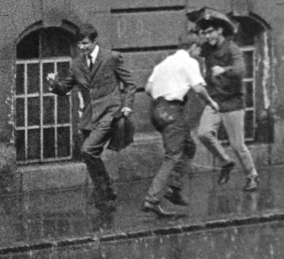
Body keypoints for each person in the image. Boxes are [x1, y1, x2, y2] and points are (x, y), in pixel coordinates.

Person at [47, 24, 136, 207]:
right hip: (89, 117)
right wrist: (54, 84)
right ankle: (106, 192)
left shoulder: (111, 58)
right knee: (90, 155)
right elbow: (65, 89)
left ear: (95, 41)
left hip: (110, 113)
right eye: (79, 44)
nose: (82, 47)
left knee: (87, 150)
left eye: (86, 43)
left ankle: (103, 191)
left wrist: (126, 107)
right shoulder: (76, 64)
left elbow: (129, 85)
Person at [142, 35, 216, 218]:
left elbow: (147, 88)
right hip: (172, 111)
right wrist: (211, 103)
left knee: (189, 147)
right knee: (173, 156)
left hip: (156, 110)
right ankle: (152, 200)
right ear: (192, 46)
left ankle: (174, 188)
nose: (200, 52)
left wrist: (165, 91)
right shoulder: (189, 62)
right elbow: (199, 89)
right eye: (199, 48)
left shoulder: (165, 63)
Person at [192, 13, 259, 191]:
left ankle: (252, 176)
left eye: (210, 32)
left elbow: (240, 70)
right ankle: (226, 161)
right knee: (204, 133)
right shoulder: (207, 47)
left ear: (220, 30)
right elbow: (194, 48)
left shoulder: (232, 49)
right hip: (214, 101)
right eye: (204, 33)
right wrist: (193, 47)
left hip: (232, 103)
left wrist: (224, 69)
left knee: (238, 145)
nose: (207, 36)